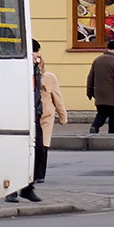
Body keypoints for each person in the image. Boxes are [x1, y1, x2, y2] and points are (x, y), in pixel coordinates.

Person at [6, 46, 43, 203]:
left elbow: (36, 92)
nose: (38, 55)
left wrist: (38, 110)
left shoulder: (35, 69)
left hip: (34, 116)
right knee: (17, 153)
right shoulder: (18, 68)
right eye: (35, 51)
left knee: (38, 151)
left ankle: (28, 187)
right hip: (19, 115)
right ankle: (12, 190)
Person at [36, 41, 67, 184]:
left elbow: (57, 98)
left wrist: (63, 117)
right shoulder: (26, 75)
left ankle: (40, 175)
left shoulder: (49, 77)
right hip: (33, 116)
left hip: (46, 116)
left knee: (43, 146)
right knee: (34, 146)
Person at [87, 39, 114, 134]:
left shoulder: (97, 60)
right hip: (112, 95)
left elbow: (90, 77)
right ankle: (111, 134)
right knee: (112, 116)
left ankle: (95, 127)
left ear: (107, 49)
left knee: (101, 112)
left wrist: (89, 92)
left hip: (98, 94)